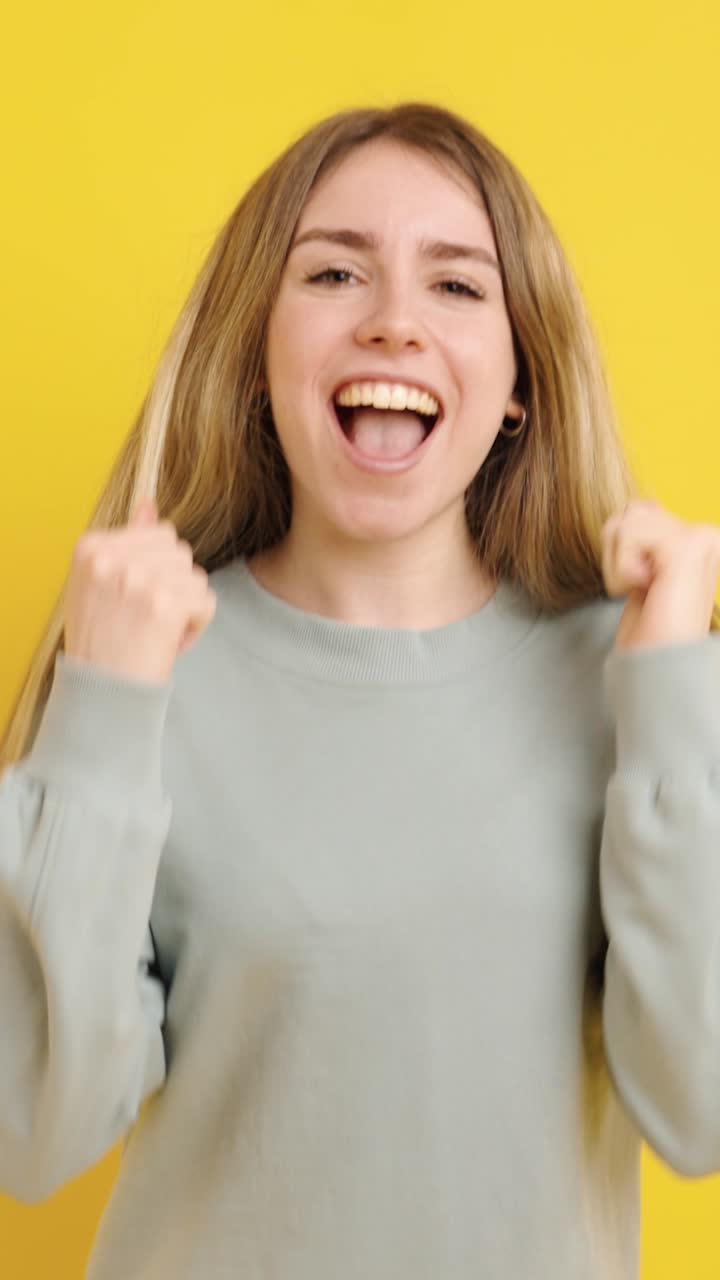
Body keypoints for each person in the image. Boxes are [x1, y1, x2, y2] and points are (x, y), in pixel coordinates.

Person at [1, 101, 720, 1280]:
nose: (393, 321)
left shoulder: (631, 678)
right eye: (335, 272)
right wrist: (100, 717)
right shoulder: (140, 661)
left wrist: (677, 693)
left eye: (457, 284)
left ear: (521, 380)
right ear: (258, 351)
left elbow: (701, 1107)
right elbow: (30, 1135)